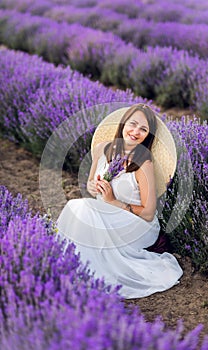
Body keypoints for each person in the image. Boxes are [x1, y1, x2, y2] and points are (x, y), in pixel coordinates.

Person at [56, 103, 183, 299]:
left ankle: (84, 277)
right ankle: (70, 269)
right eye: (132, 124)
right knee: (77, 207)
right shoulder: (101, 149)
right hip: (105, 214)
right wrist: (93, 187)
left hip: (137, 224)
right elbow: (91, 185)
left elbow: (148, 213)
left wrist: (113, 201)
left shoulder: (143, 163)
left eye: (143, 129)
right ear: (123, 124)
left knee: (81, 209)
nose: (135, 131)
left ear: (148, 135)